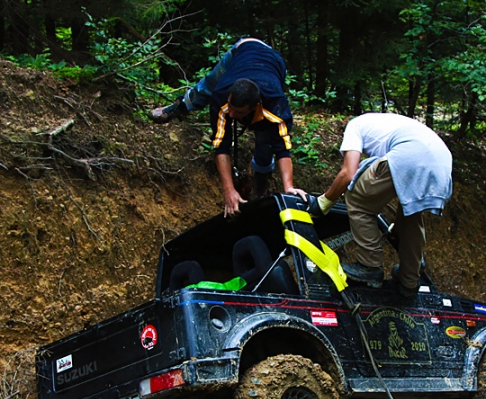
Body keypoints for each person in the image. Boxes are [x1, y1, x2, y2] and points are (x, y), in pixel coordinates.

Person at [149, 37, 307, 217]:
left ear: (254, 107)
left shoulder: (276, 106)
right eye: (230, 108)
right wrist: (228, 191)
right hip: (243, 49)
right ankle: (179, 107)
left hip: (273, 62)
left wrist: (289, 187)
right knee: (207, 86)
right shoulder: (223, 95)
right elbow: (221, 145)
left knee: (266, 140)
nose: (231, 115)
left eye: (238, 112)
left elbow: (282, 149)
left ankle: (260, 183)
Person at [307, 112, 453, 296]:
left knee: (359, 199)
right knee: (410, 215)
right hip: (443, 163)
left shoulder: (355, 125)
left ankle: (369, 266)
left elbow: (348, 173)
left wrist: (325, 201)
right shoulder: (389, 123)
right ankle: (409, 280)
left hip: (410, 155)